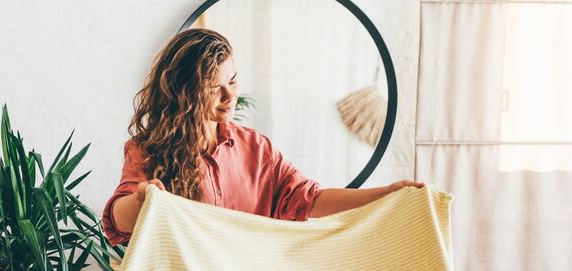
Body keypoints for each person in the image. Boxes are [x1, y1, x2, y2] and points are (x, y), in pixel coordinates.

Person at [102, 28, 424, 246]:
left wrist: (386, 194)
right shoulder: (148, 149)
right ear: (185, 93)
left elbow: (310, 199)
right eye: (214, 89)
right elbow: (118, 220)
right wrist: (144, 199)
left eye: (234, 81)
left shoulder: (256, 148)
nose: (230, 97)